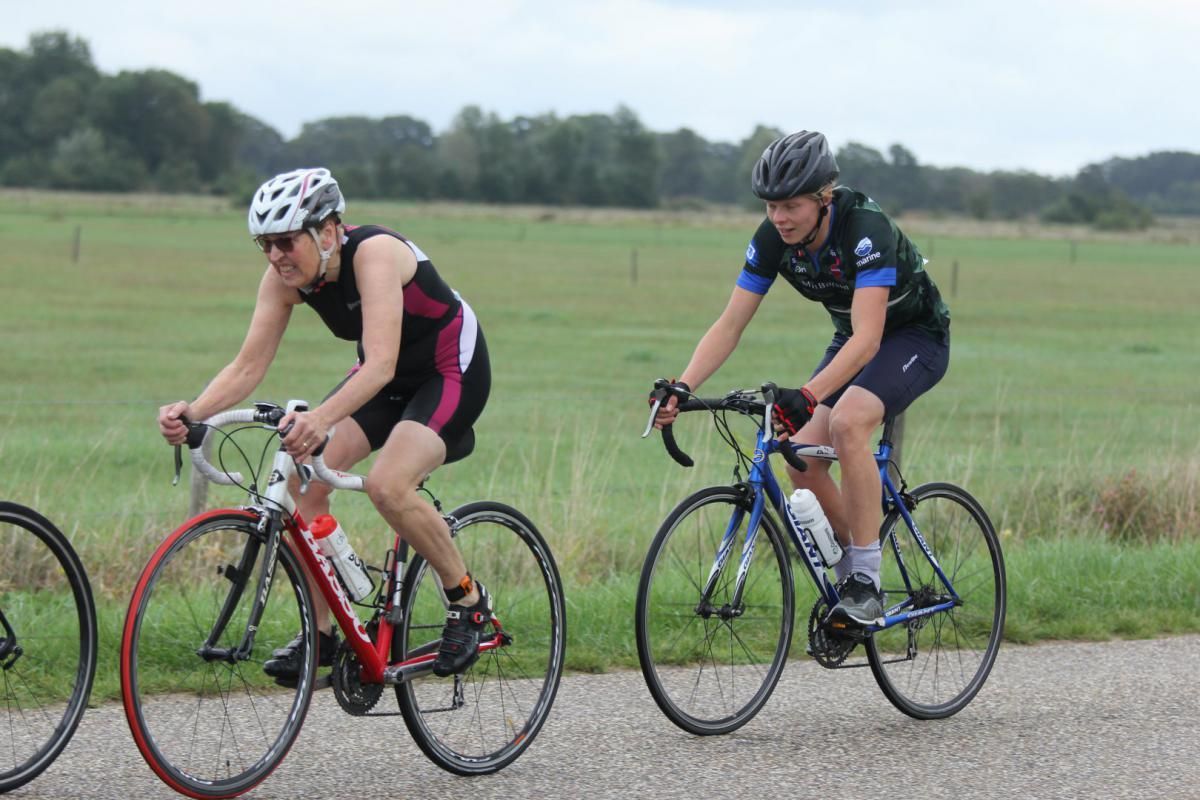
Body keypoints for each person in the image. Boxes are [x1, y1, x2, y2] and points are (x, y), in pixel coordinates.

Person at [157, 167, 493, 680]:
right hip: (385, 379)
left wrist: (319, 419)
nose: (275, 256)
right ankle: (323, 633)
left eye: (286, 241)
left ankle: (467, 600)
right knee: (299, 485)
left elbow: (380, 363)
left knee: (388, 484)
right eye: (264, 244)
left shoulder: (375, 255)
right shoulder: (284, 280)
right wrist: (193, 412)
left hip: (449, 370)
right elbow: (248, 365)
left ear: (328, 232)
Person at [653, 130, 950, 627]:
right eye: (770, 206)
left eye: (791, 205)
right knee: (802, 461)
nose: (779, 218)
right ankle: (854, 567)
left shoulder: (864, 229)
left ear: (823, 197)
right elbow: (730, 324)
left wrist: (810, 394)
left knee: (849, 423)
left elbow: (870, 339)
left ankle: (866, 583)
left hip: (913, 337)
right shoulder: (773, 238)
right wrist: (684, 386)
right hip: (852, 337)